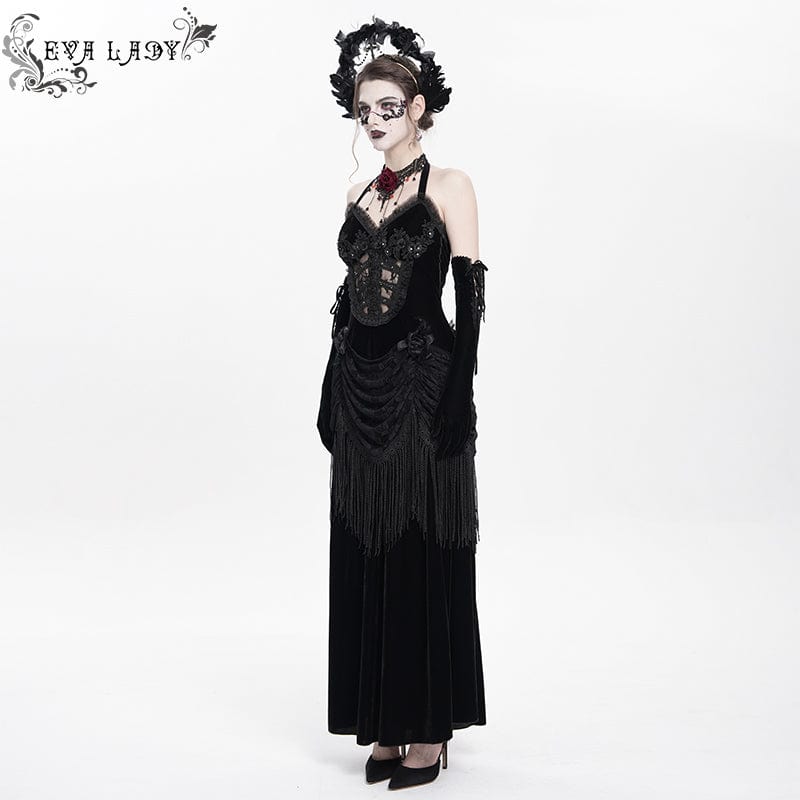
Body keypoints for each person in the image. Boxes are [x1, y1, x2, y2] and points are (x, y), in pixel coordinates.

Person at [317, 17, 488, 791]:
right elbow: (348, 298)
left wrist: (460, 392)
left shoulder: (451, 186)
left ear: (418, 108)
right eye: (365, 111)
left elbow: (468, 298)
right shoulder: (357, 189)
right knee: (366, 546)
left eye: (388, 106)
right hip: (359, 388)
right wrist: (329, 383)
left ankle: (429, 728)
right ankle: (384, 720)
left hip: (423, 385)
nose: (375, 121)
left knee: (419, 545)